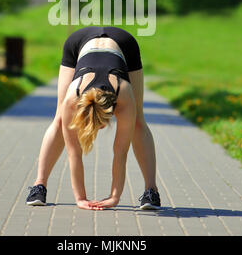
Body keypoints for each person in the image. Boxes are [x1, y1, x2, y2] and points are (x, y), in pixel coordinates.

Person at [26, 26, 160, 210]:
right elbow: (74, 153)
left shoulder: (124, 93)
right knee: (58, 120)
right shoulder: (72, 98)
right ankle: (39, 185)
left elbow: (120, 153)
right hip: (79, 43)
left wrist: (114, 197)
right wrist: (80, 199)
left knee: (138, 122)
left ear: (112, 111)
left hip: (124, 43)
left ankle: (151, 191)